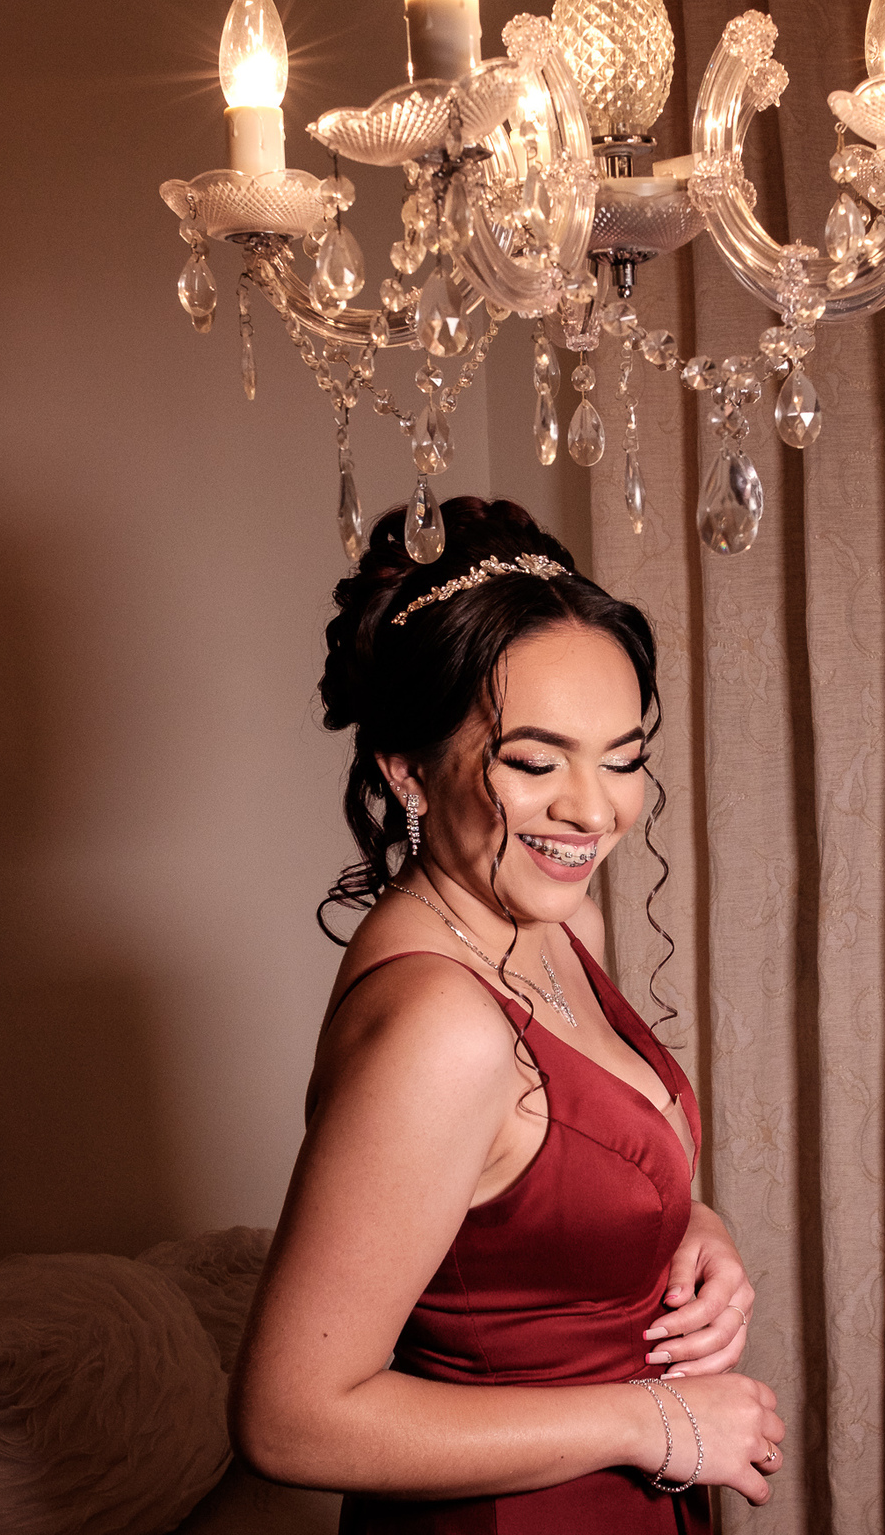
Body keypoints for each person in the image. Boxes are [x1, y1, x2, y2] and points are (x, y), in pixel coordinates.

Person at [230, 496, 784, 1533]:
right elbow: (289, 1421)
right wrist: (651, 1420)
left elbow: (526, 1199)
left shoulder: (559, 927)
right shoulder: (441, 1024)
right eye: (535, 762)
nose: (594, 810)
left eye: (623, 758)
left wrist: (684, 1229)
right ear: (408, 769)